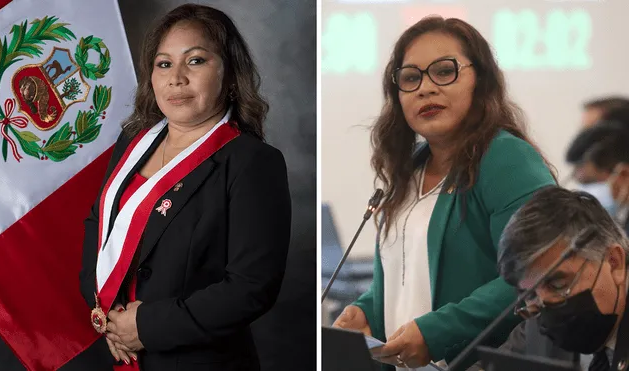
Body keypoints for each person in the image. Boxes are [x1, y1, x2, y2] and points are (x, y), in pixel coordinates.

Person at [331, 15, 556, 370]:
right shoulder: (409, 171)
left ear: (479, 81)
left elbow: (538, 270)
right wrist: (367, 309)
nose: (425, 88)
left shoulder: (505, 158)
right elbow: (404, 274)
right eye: (410, 78)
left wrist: (437, 332)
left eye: (444, 71)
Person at [78, 4, 292, 371]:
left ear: (229, 74)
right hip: (118, 355)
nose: (176, 78)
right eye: (163, 64)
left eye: (195, 61)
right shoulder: (131, 142)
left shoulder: (252, 162)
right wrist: (109, 317)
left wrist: (144, 326)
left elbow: (251, 287)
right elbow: (98, 223)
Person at [498, 186, 629, 371]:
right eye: (530, 294)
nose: (546, 305)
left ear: (614, 263)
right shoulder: (537, 329)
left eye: (558, 285)